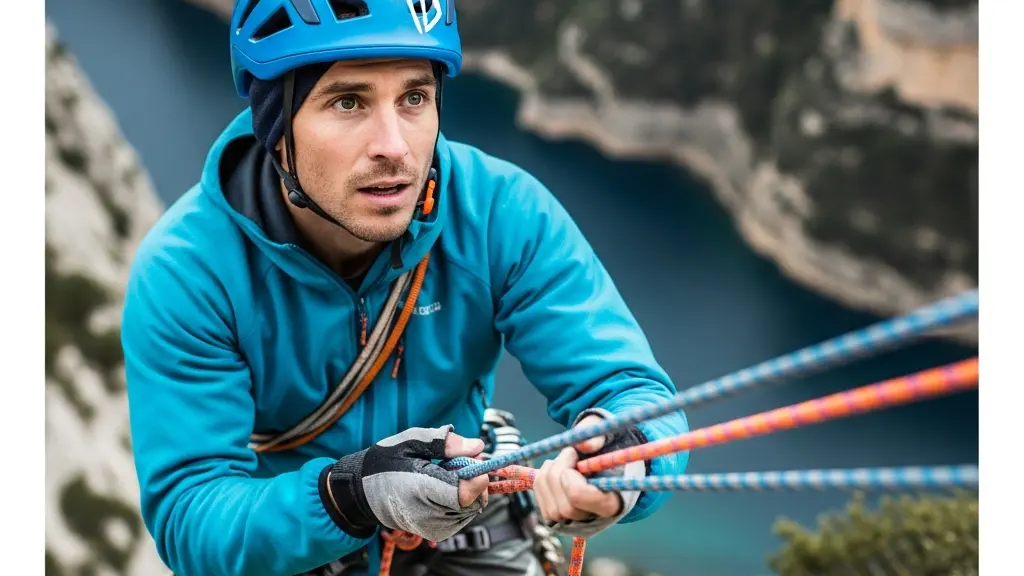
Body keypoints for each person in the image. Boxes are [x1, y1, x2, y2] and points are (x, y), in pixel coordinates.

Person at [120, 1, 690, 575]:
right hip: (299, 541)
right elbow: (191, 513)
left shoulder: (499, 214)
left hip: (463, 520)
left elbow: (630, 389)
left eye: (414, 98)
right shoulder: (191, 273)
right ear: (277, 125)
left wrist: (619, 459)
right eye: (349, 102)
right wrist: (351, 494)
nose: (394, 146)